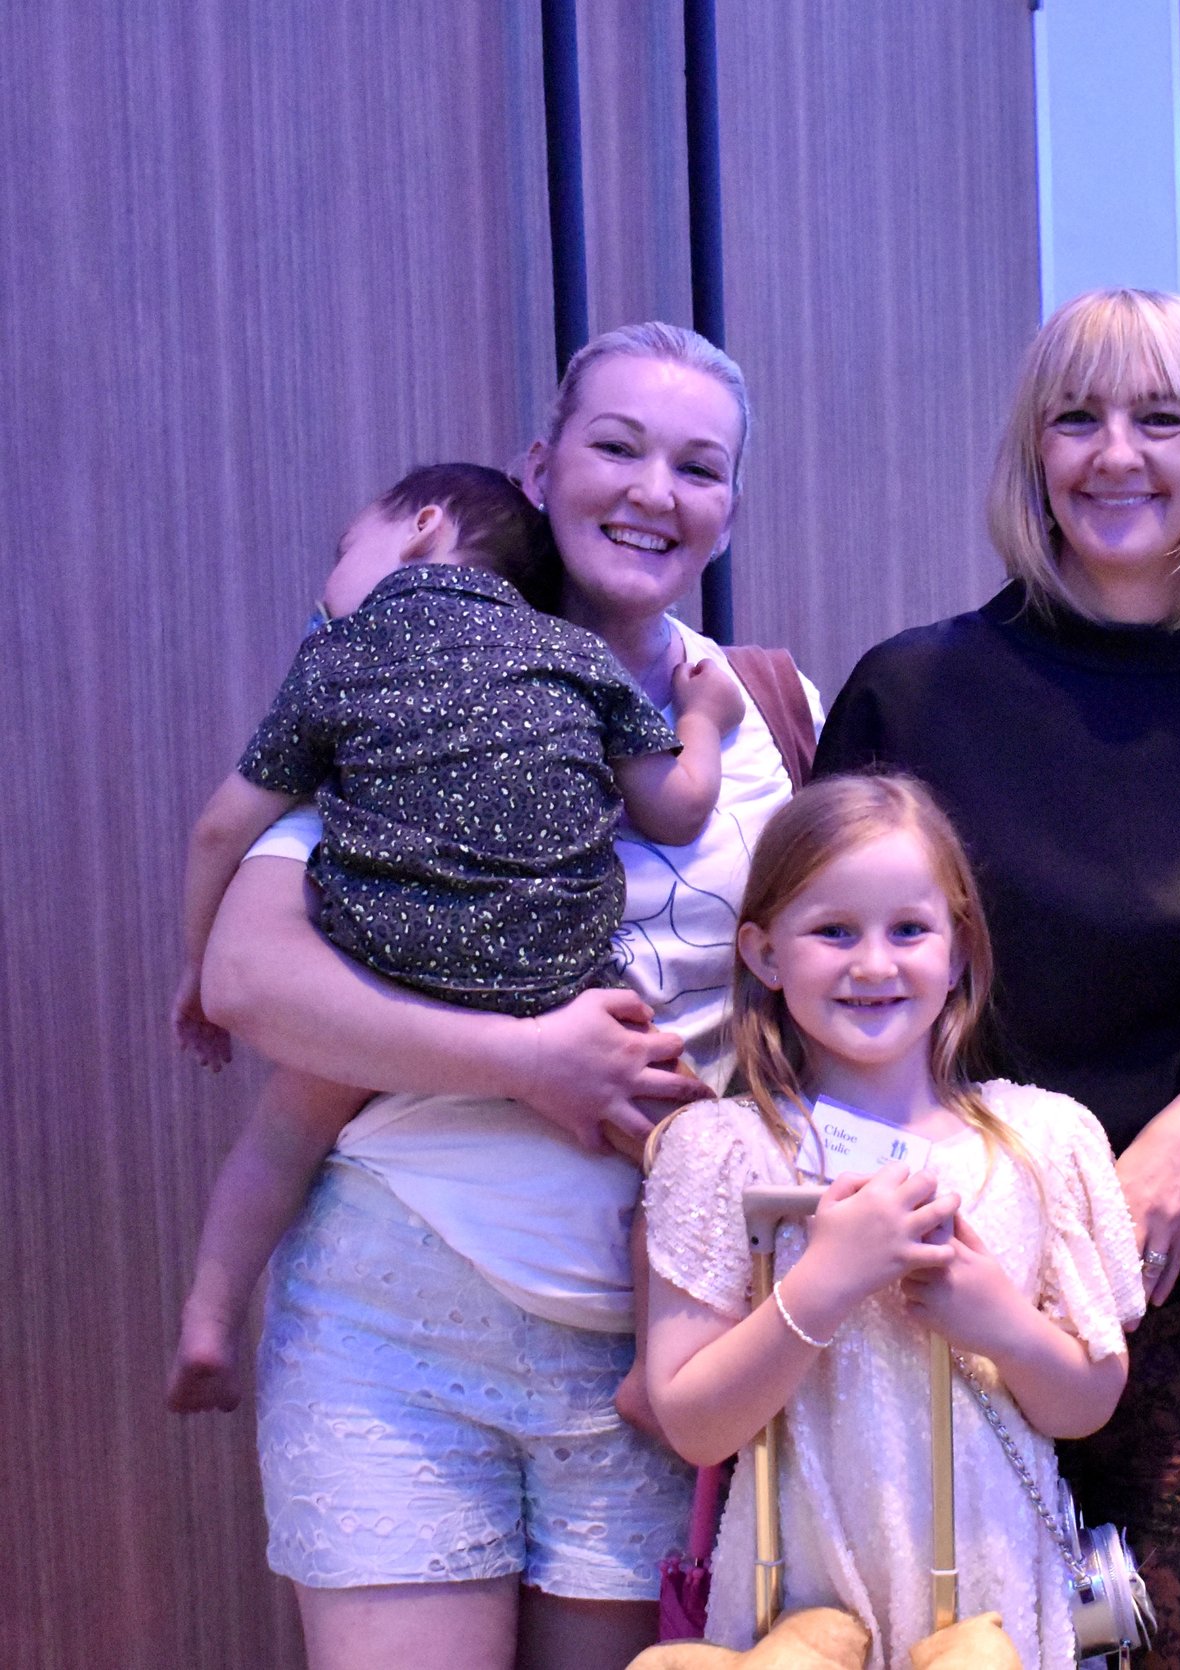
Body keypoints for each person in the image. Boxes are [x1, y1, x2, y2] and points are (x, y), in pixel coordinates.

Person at [201, 322, 818, 1670]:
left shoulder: (765, 709)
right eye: (617, 445)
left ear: (728, 507)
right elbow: (248, 975)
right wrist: (532, 1060)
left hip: (656, 1354)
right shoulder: (416, 671)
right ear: (540, 467)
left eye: (698, 466)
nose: (655, 489)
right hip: (397, 1313)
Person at [817, 287, 1180, 1669]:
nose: (1115, 454)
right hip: (939, 1300)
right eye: (1074, 418)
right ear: (1033, 456)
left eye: (1160, 419)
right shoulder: (911, 698)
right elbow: (818, 979)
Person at [165, 461, 747, 1414]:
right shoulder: (574, 657)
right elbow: (678, 811)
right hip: (560, 977)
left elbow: (219, 830)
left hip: (381, 964)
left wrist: (194, 964)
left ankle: (209, 1318)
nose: (328, 584)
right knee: (678, 1143)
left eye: (342, 550)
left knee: (280, 1132)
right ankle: (658, 1364)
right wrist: (704, 717)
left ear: (423, 527)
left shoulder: (339, 657)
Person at [642, 774, 1146, 1667]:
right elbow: (691, 1421)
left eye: (908, 930)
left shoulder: (1039, 1142)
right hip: (789, 1611)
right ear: (763, 954)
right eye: (834, 930)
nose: (874, 964)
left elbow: (1089, 1402)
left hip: (993, 1609)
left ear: (957, 951)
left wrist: (1003, 1324)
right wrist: (822, 1285)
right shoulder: (726, 1151)